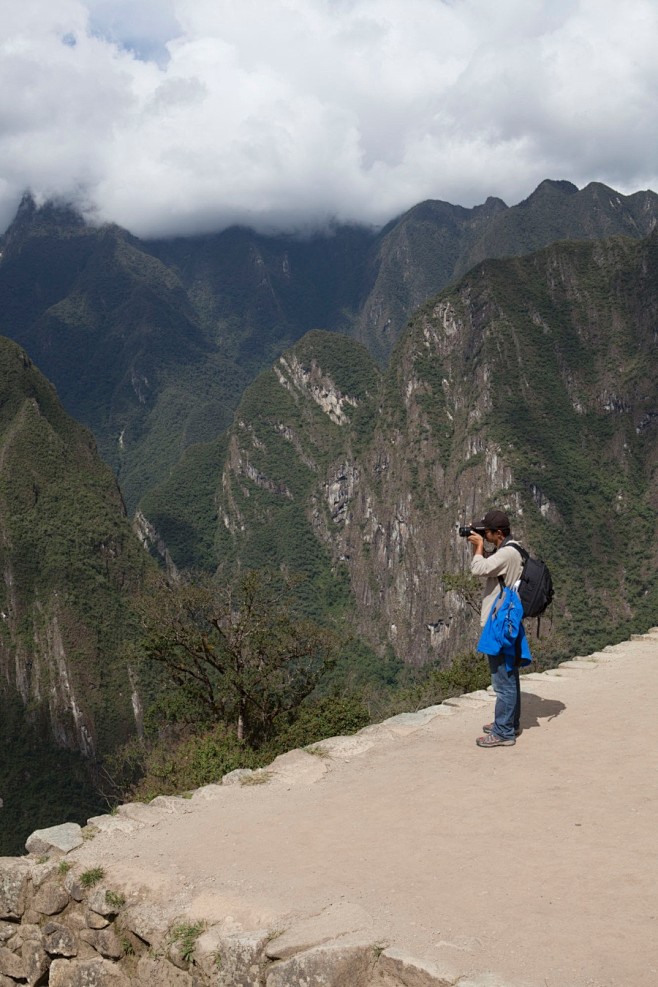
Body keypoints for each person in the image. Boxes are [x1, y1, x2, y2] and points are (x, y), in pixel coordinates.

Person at [468, 509, 525, 748]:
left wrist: (479, 547)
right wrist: (482, 547)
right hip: (507, 619)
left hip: (499, 623)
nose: (484, 534)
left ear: (498, 533)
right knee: (509, 674)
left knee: (502, 680)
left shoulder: (507, 554)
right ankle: (509, 723)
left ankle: (503, 732)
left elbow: (478, 569)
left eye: (487, 532)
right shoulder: (513, 548)